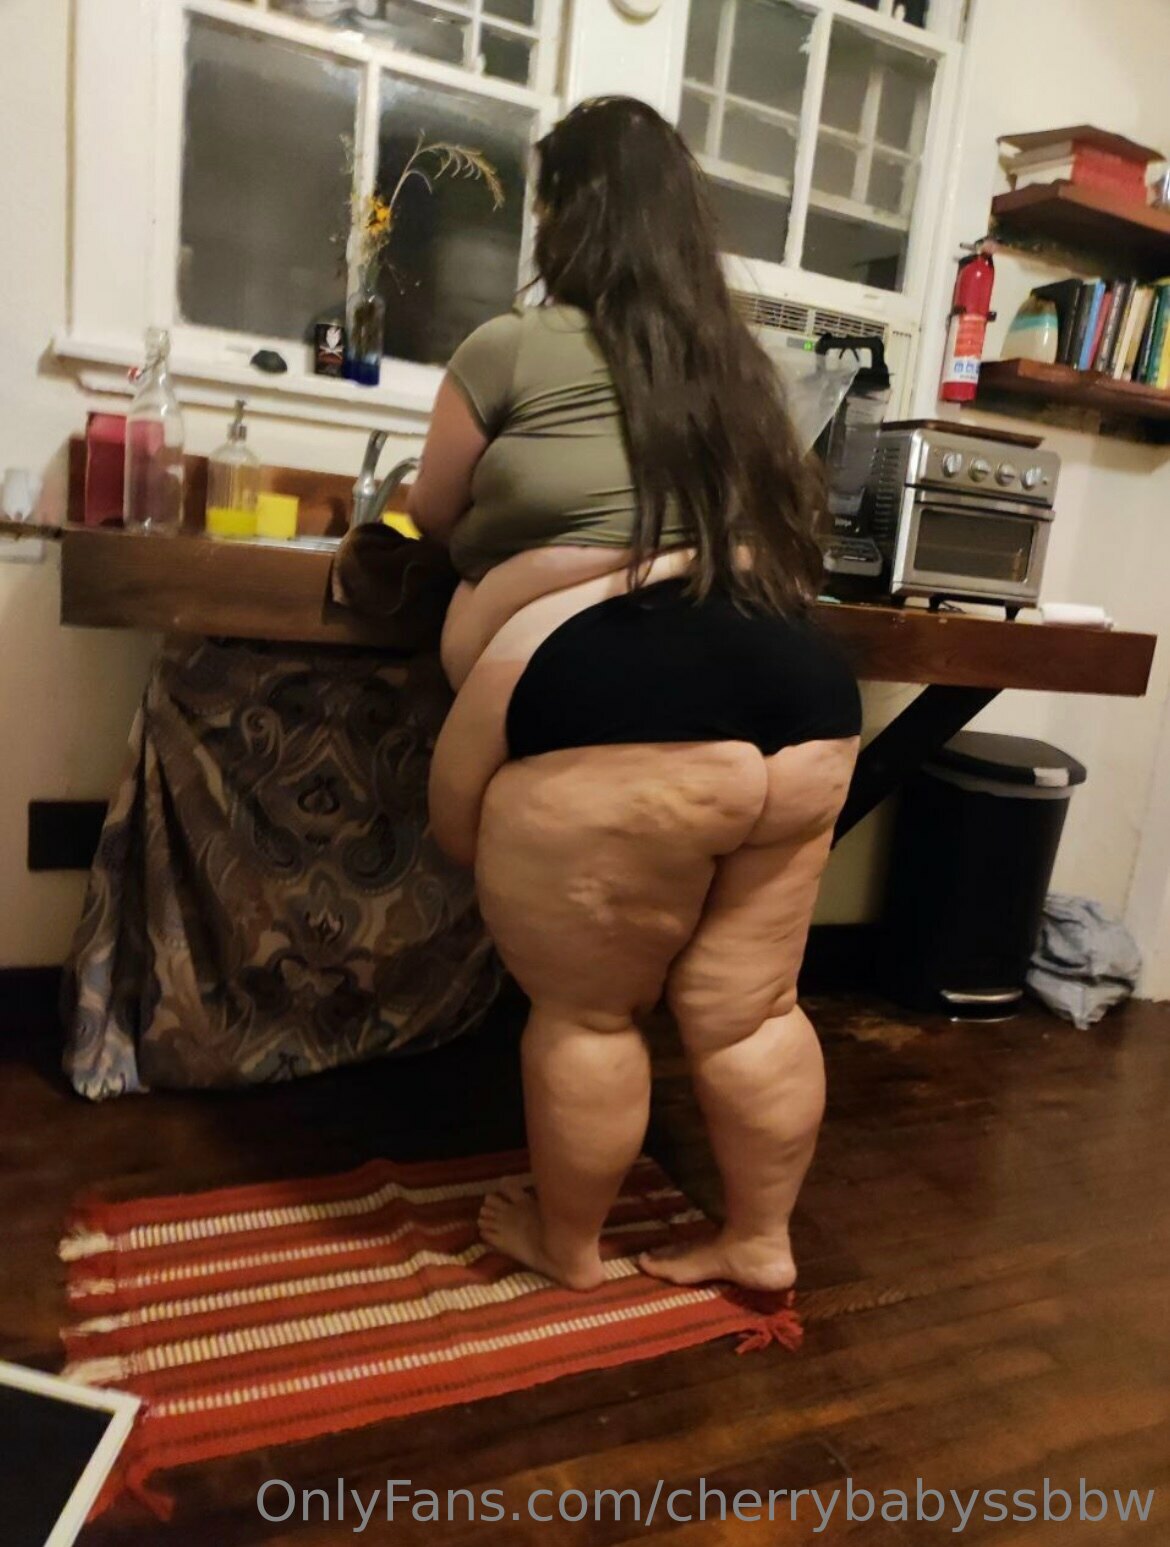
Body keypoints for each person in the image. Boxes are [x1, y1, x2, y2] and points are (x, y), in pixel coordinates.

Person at [406, 96, 861, 1295]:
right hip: (804, 689)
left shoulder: (509, 346)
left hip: (611, 695)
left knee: (591, 1012)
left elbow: (431, 510)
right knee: (753, 1009)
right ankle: (759, 1239)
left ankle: (569, 1245)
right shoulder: (740, 368)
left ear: (561, 212)